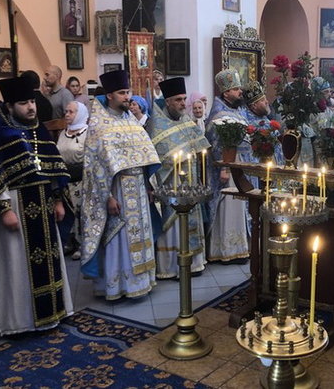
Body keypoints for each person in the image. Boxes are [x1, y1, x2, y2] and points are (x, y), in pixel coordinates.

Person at [0, 77, 73, 336]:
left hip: (43, 203)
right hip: (15, 205)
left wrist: (59, 199)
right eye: (23, 103)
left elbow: (53, 167)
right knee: (16, 265)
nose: (31, 107)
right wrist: (4, 208)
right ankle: (20, 321)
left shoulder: (38, 129)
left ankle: (53, 312)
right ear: (9, 106)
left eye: (32, 101)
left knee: (49, 260)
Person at [80, 70, 161, 299]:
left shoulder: (131, 122)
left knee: (140, 236)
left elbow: (145, 157)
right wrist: (107, 197)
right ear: (110, 95)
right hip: (117, 191)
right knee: (119, 238)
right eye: (122, 93)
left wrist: (148, 185)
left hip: (138, 189)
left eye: (128, 92)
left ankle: (141, 282)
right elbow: (94, 169)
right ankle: (118, 286)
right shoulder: (99, 127)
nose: (128, 97)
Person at [146, 77, 210, 279]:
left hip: (190, 182)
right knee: (173, 225)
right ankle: (172, 267)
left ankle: (194, 264)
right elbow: (154, 160)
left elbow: (199, 150)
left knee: (192, 218)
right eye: (177, 100)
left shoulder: (186, 122)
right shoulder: (155, 126)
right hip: (170, 185)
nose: (183, 104)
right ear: (167, 102)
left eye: (184, 99)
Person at [205, 68, 251, 262]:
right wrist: (224, 168)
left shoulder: (237, 110)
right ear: (226, 93)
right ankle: (224, 251)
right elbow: (215, 143)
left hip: (239, 166)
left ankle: (239, 248)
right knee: (228, 206)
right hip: (226, 169)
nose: (240, 91)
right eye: (236, 89)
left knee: (239, 206)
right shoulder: (218, 113)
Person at [56, 101, 89, 261]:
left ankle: (83, 244)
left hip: (81, 179)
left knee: (81, 213)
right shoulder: (64, 133)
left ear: (80, 114)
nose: (67, 114)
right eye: (66, 111)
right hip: (65, 178)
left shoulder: (87, 133)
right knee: (68, 212)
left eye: (71, 112)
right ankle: (70, 242)